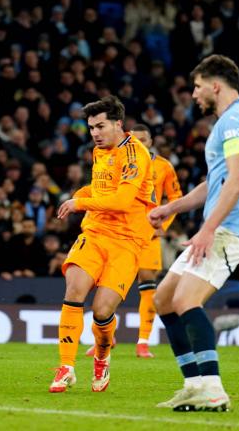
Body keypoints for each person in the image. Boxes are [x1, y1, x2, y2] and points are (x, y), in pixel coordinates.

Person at [148, 55, 239, 412]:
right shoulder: (228, 123)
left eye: (197, 87)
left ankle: (213, 391)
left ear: (216, 85)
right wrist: (172, 208)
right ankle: (194, 384)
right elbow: (214, 183)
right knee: (164, 299)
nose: (193, 94)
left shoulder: (235, 123)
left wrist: (207, 229)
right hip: (219, 227)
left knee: (185, 300)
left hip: (231, 230)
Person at [49, 95, 155, 393]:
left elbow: (122, 200)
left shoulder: (135, 154)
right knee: (74, 288)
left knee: (101, 310)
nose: (94, 133)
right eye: (91, 127)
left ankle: (102, 356)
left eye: (100, 126)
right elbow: (101, 187)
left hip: (127, 241)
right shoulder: (100, 151)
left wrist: (79, 202)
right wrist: (76, 197)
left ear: (118, 124)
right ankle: (66, 367)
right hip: (95, 234)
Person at [85, 123, 183, 359]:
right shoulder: (115, 157)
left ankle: (143, 341)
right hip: (115, 233)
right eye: (135, 138)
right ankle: (105, 337)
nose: (138, 142)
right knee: (104, 285)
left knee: (147, 284)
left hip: (147, 233)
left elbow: (176, 197)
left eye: (144, 139)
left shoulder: (163, 167)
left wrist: (163, 226)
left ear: (151, 142)